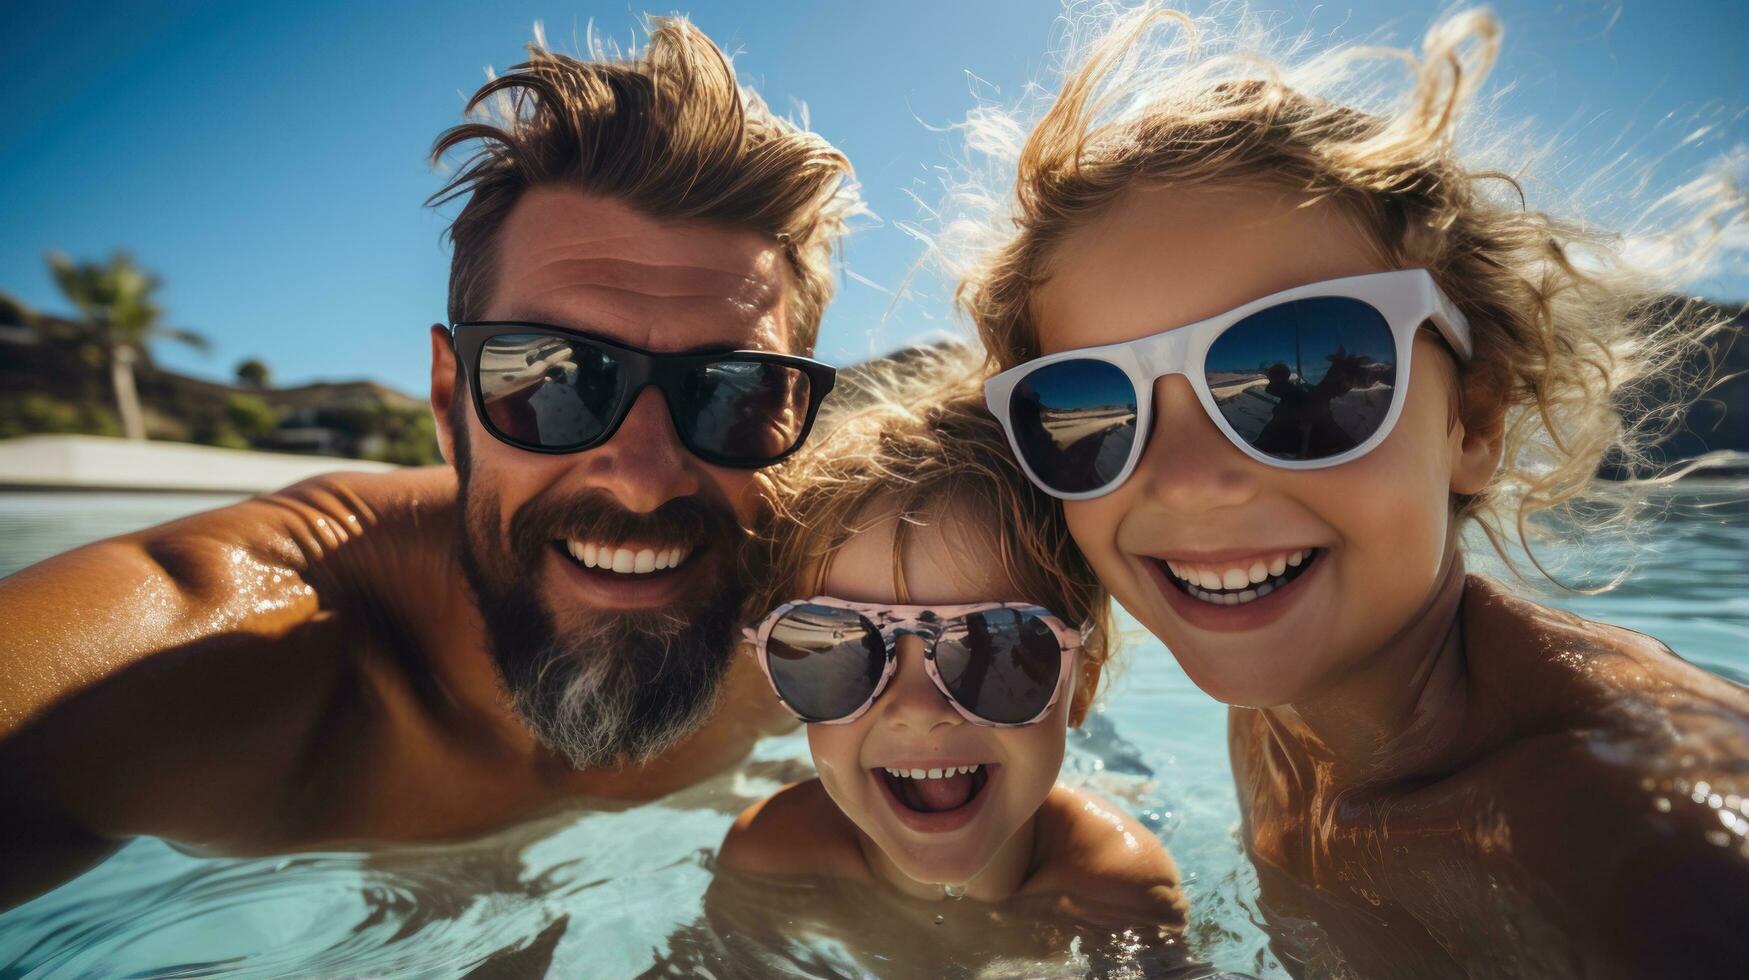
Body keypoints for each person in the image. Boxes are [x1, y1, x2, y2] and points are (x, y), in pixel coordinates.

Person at [958, 5, 1749, 976]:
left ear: (1476, 418)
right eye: (1089, 410)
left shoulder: (1635, 845)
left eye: (1286, 374)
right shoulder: (1274, 718)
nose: (1190, 479)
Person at [0, 17, 858, 910]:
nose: (643, 477)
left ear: (797, 417)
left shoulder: (844, 616)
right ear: (449, 399)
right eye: (554, 379)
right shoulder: (224, 659)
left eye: (732, 393)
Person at [708, 348, 1187, 974]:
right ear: (779, 674)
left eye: (995, 647)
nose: (916, 710)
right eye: (835, 650)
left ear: (1084, 682)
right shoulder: (774, 858)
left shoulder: (1117, 892)